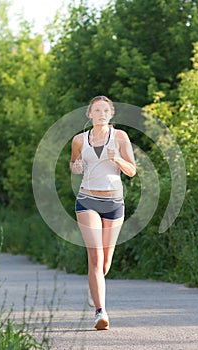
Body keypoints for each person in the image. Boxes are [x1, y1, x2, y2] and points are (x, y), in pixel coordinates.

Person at [70, 96, 136, 330]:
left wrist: (115, 157)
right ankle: (101, 313)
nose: (101, 114)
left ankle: (93, 287)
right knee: (96, 257)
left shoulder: (120, 137)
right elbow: (74, 164)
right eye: (96, 110)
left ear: (111, 114)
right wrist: (76, 167)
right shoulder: (79, 139)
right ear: (89, 114)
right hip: (87, 200)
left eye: (105, 110)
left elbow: (132, 171)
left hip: (114, 203)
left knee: (105, 263)